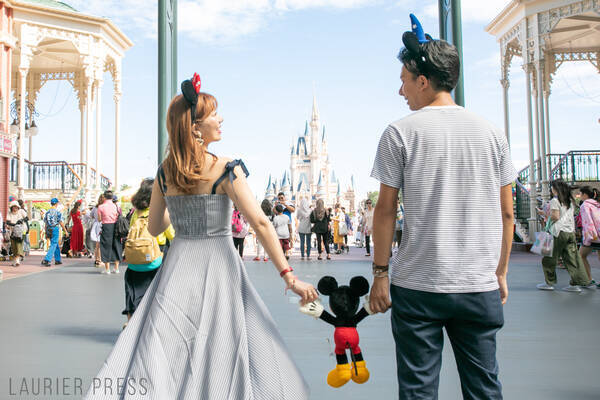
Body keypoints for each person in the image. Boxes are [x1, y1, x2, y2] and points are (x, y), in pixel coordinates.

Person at [84, 74, 316, 399]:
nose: (220, 120)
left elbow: (155, 227)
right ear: (195, 127)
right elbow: (261, 224)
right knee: (223, 348)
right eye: (214, 115)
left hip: (178, 267)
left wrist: (180, 208)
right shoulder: (225, 168)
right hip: (220, 266)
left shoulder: (166, 172)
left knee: (169, 351)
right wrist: (289, 277)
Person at [368, 15, 516, 399]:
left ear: (423, 81)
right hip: (478, 285)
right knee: (484, 388)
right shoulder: (493, 134)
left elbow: (385, 210)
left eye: (404, 80)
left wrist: (380, 274)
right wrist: (500, 272)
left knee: (418, 390)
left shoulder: (399, 133)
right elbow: (507, 214)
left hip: (418, 286)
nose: (400, 90)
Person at [122, 178, 168, 329]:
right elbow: (171, 234)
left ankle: (130, 321)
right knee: (156, 291)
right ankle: (151, 323)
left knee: (132, 288)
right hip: (156, 256)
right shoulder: (160, 211)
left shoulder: (136, 212)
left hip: (135, 259)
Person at [538, 180, 592, 292]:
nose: (551, 189)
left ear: (556, 189)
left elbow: (555, 216)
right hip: (570, 232)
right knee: (572, 259)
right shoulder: (570, 201)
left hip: (557, 232)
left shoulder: (555, 201)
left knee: (549, 258)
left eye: (552, 187)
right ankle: (576, 283)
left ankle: (549, 282)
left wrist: (544, 214)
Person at [577, 186, 600, 285]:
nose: (580, 196)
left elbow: (588, 222)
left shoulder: (585, 205)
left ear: (585, 195)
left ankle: (589, 279)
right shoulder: (597, 204)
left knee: (581, 255)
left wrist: (587, 238)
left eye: (580, 194)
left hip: (592, 236)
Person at [97, 190, 122, 274]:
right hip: (116, 227)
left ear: (104, 197)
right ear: (112, 197)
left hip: (106, 227)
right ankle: (116, 268)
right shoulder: (116, 206)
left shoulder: (101, 207)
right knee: (116, 245)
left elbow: (99, 219)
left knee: (105, 246)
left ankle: (107, 269)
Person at [41, 198, 69, 267]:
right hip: (55, 228)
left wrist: (46, 231)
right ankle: (47, 259)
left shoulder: (47, 212)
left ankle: (58, 259)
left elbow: (45, 222)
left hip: (48, 228)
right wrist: (65, 231)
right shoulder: (57, 212)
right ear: (56, 204)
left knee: (55, 244)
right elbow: (61, 222)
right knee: (53, 244)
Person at [5, 201, 28, 266]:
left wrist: (21, 220)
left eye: (16, 207)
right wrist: (15, 224)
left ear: (18, 207)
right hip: (12, 232)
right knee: (14, 246)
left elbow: (27, 218)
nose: (15, 208)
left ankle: (17, 260)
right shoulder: (9, 213)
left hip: (22, 231)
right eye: (13, 207)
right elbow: (8, 222)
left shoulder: (21, 211)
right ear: (11, 207)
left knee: (19, 245)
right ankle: (15, 260)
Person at [274, 192, 295, 257]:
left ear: (284, 197)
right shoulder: (277, 205)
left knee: (288, 238)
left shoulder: (289, 203)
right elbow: (274, 212)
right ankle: (283, 253)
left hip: (288, 223)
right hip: (279, 224)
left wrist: (285, 205)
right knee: (280, 240)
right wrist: (275, 205)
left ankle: (288, 251)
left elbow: (293, 210)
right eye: (279, 198)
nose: (280, 199)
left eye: (282, 198)